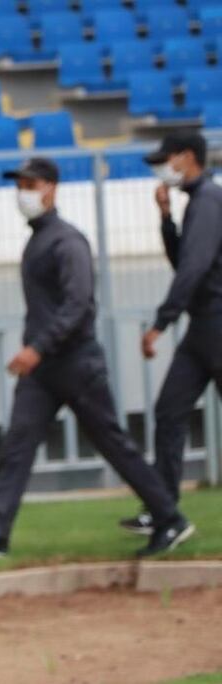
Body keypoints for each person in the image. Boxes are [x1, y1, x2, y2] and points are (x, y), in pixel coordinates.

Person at [0, 157, 194, 559]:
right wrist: (37, 351)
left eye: (30, 185)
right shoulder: (40, 239)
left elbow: (78, 305)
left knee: (113, 444)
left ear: (51, 187)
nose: (22, 193)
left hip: (76, 365)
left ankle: (169, 517)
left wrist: (36, 347)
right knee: (17, 446)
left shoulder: (67, 242)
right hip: (44, 370)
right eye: (20, 186)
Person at [121, 130, 222, 535]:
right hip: (203, 327)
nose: (163, 168)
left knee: (169, 413)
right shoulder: (198, 202)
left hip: (216, 323)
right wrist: (166, 219)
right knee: (169, 412)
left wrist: (161, 323)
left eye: (168, 159)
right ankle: (163, 511)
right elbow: (185, 262)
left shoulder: (208, 201)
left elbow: (193, 269)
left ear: (188, 157)